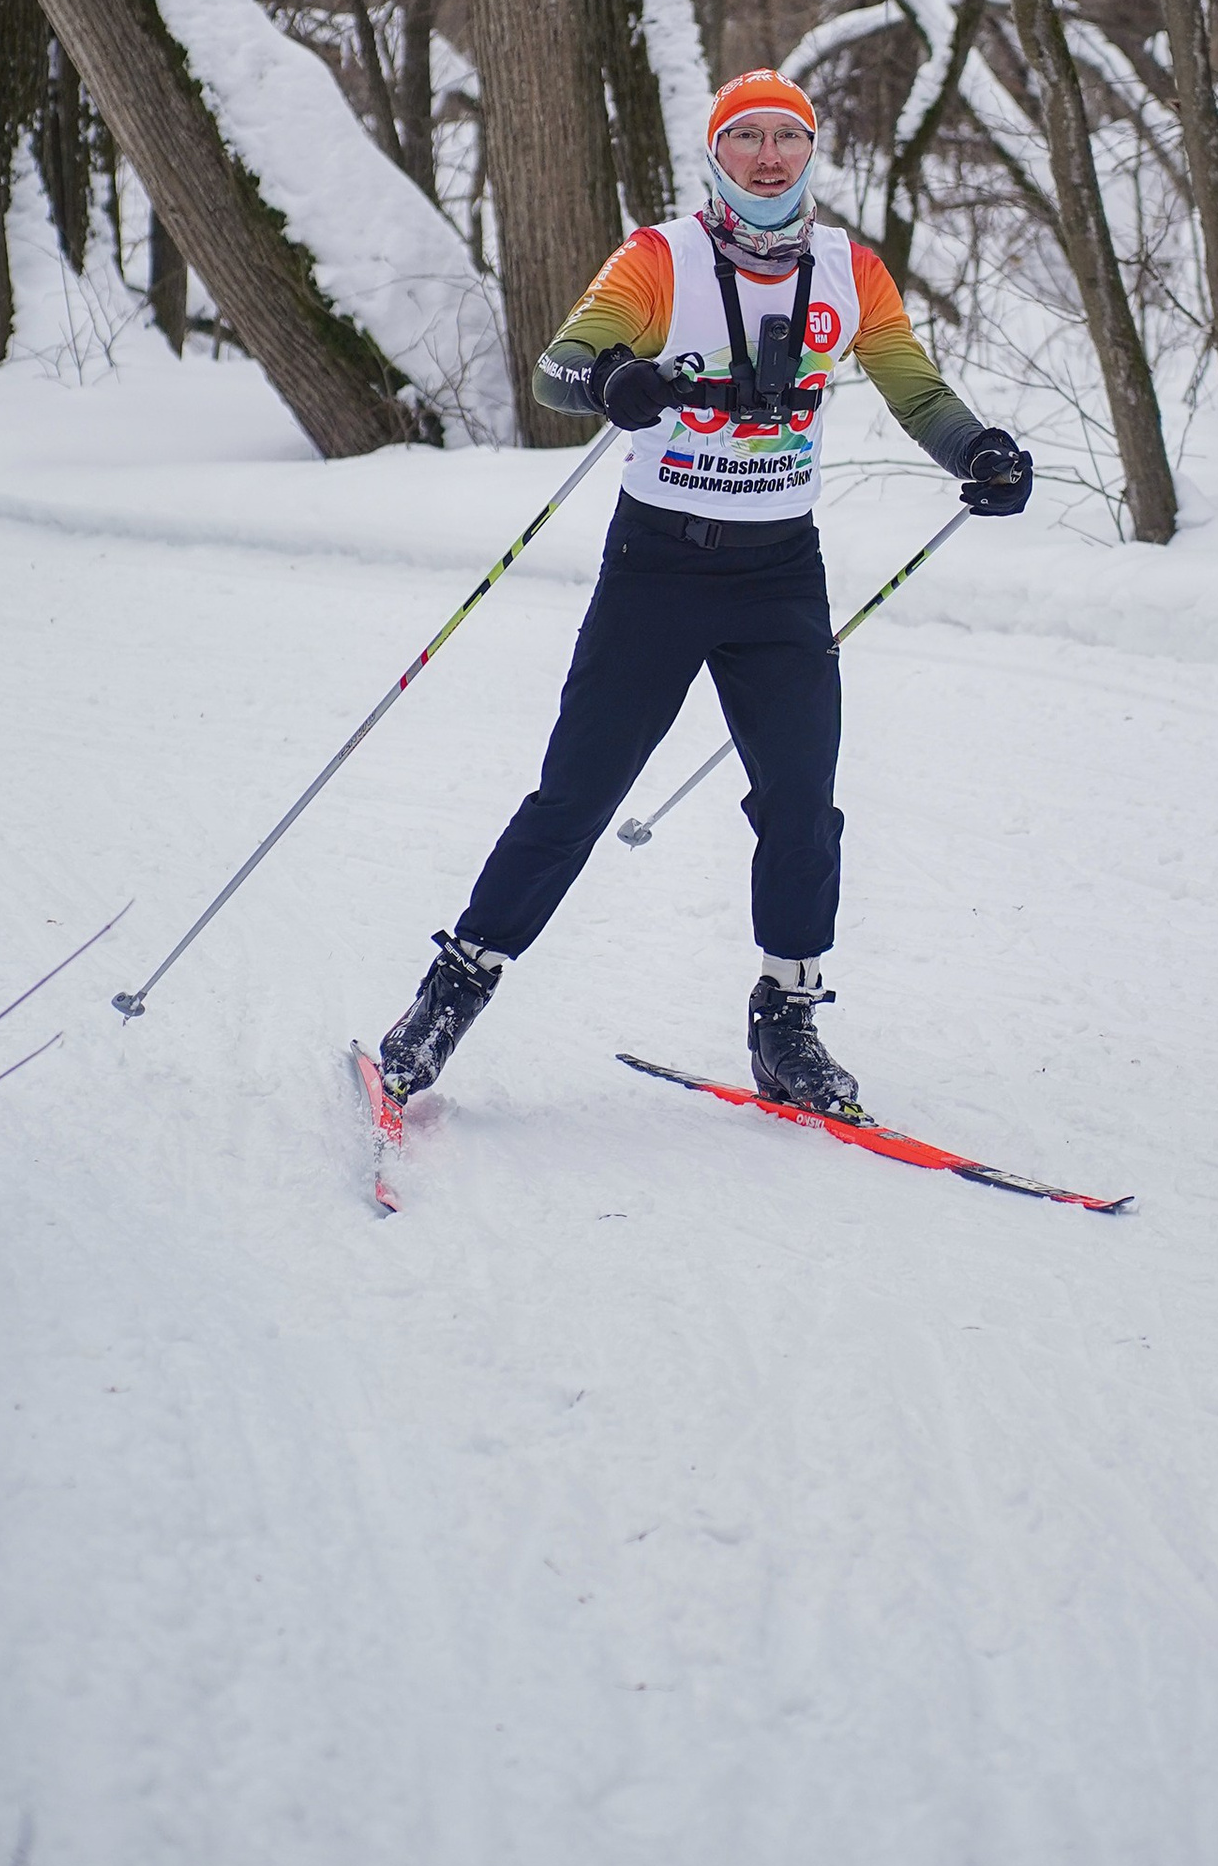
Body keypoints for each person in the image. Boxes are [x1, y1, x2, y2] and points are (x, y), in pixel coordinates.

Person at [379, 68, 1034, 1119]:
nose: (769, 158)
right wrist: (613, 382)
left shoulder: (847, 271)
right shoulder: (660, 261)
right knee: (575, 799)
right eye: (747, 140)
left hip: (779, 574)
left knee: (802, 806)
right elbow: (559, 369)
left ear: (809, 156)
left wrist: (980, 450)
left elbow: (914, 387)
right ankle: (450, 992)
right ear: (715, 156)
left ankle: (787, 1022)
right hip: (659, 569)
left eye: (787, 139)